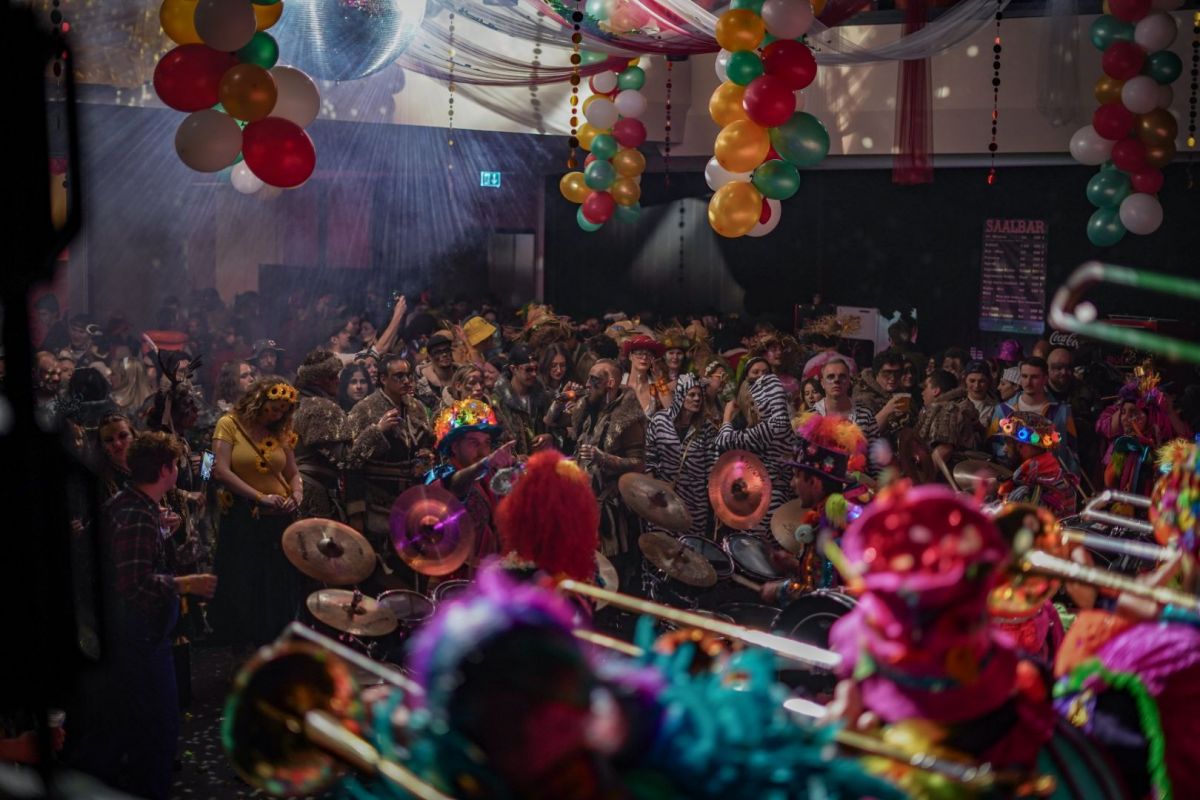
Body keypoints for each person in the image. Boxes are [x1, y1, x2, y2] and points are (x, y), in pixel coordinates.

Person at [68, 431, 217, 800]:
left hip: (133, 635)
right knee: (157, 728)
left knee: (128, 727)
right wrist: (185, 584)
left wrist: (175, 538)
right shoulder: (136, 513)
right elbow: (132, 583)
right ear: (165, 469)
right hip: (138, 636)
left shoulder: (139, 505)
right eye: (176, 464)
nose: (179, 470)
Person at [209, 377, 304, 649]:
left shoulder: (280, 431)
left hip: (280, 517)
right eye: (274, 408)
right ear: (258, 401)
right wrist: (261, 497)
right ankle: (244, 639)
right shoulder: (228, 424)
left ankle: (277, 634)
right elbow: (220, 470)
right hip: (244, 516)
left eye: (284, 411)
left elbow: (293, 472)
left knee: (277, 579)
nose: (278, 415)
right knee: (245, 577)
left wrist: (297, 494)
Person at [342, 354, 435, 555]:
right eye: (399, 376)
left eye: (408, 376)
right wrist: (377, 431)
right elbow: (351, 461)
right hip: (377, 502)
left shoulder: (416, 407)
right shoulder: (364, 409)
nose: (406, 381)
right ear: (383, 379)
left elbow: (428, 442)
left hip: (412, 501)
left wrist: (426, 455)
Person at [573, 358, 646, 585]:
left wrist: (602, 458)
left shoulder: (628, 417)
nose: (588, 384)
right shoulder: (590, 407)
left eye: (594, 379)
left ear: (610, 383)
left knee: (610, 572)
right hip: (583, 502)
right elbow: (555, 422)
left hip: (610, 509)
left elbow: (638, 462)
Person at [424, 399, 514, 571]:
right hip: (458, 579)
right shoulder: (442, 479)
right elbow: (456, 484)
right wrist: (485, 463)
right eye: (474, 443)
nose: (483, 451)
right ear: (454, 446)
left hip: (493, 573)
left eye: (487, 443)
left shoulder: (488, 475)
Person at [716, 373, 796, 536]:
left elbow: (723, 441)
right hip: (781, 500)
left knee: (759, 547)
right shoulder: (787, 426)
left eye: (757, 402)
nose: (754, 408)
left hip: (766, 501)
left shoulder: (772, 427)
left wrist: (726, 418)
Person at [644, 374, 715, 538]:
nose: (697, 399)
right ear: (681, 395)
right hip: (664, 498)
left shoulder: (706, 428)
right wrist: (652, 489)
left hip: (694, 503)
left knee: (689, 548)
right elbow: (649, 458)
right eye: (692, 394)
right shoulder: (660, 421)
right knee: (661, 544)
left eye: (699, 395)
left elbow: (712, 466)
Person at [987, 357, 1080, 474]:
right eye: (1024, 376)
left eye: (1034, 377)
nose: (1028, 382)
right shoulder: (1002, 410)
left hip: (1049, 478)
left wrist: (1071, 478)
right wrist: (1004, 450)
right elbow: (991, 443)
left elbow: (1071, 451)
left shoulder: (1062, 412)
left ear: (1045, 379)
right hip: (1009, 476)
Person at [293, 351, 349, 519]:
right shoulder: (321, 408)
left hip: (299, 486)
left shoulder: (297, 402)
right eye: (332, 377)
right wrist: (377, 431)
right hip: (313, 489)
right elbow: (346, 458)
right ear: (317, 380)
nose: (338, 380)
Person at [996, 410, 1079, 516]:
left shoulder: (1029, 490)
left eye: (1008, 444)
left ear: (1022, 446)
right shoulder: (1055, 477)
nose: (1004, 450)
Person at [491, 344, 552, 456]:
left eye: (536, 369)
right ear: (513, 369)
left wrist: (550, 438)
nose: (534, 374)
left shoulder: (543, 396)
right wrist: (514, 457)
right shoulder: (497, 401)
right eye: (528, 370)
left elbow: (557, 429)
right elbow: (493, 441)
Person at [914, 369, 978, 466]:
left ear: (936, 391)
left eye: (926, 387)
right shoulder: (960, 406)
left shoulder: (946, 410)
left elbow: (944, 450)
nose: (922, 392)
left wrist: (927, 473)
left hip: (948, 471)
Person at [622, 334, 669, 416]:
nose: (644, 357)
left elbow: (671, 409)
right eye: (639, 353)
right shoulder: (620, 381)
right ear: (630, 356)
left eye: (649, 354)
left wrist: (660, 380)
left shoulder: (657, 385)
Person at [416, 333, 458, 411]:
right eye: (438, 352)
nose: (444, 354)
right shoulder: (423, 385)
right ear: (429, 356)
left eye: (446, 350)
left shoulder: (462, 375)